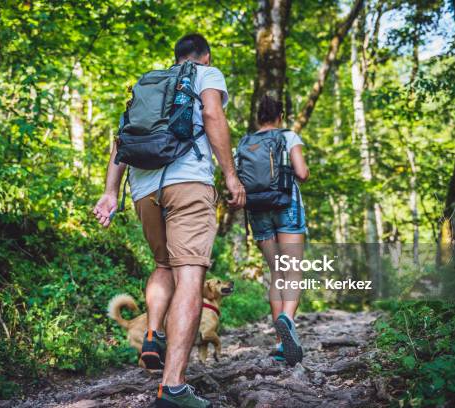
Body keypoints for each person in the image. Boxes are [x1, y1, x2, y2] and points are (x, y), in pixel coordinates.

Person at [93, 34, 245, 408]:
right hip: (187, 183)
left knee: (163, 264)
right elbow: (212, 114)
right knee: (190, 275)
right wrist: (230, 175)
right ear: (204, 56)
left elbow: (121, 140)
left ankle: (153, 332)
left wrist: (110, 192)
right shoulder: (206, 74)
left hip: (144, 188)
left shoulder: (149, 83)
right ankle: (173, 387)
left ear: (173, 57)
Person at [247, 95, 309, 366]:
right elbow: (302, 172)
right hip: (286, 204)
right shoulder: (288, 136)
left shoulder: (247, 141)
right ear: (280, 116)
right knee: (292, 268)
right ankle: (288, 320)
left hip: (258, 209)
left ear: (258, 117)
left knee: (276, 272)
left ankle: (281, 342)